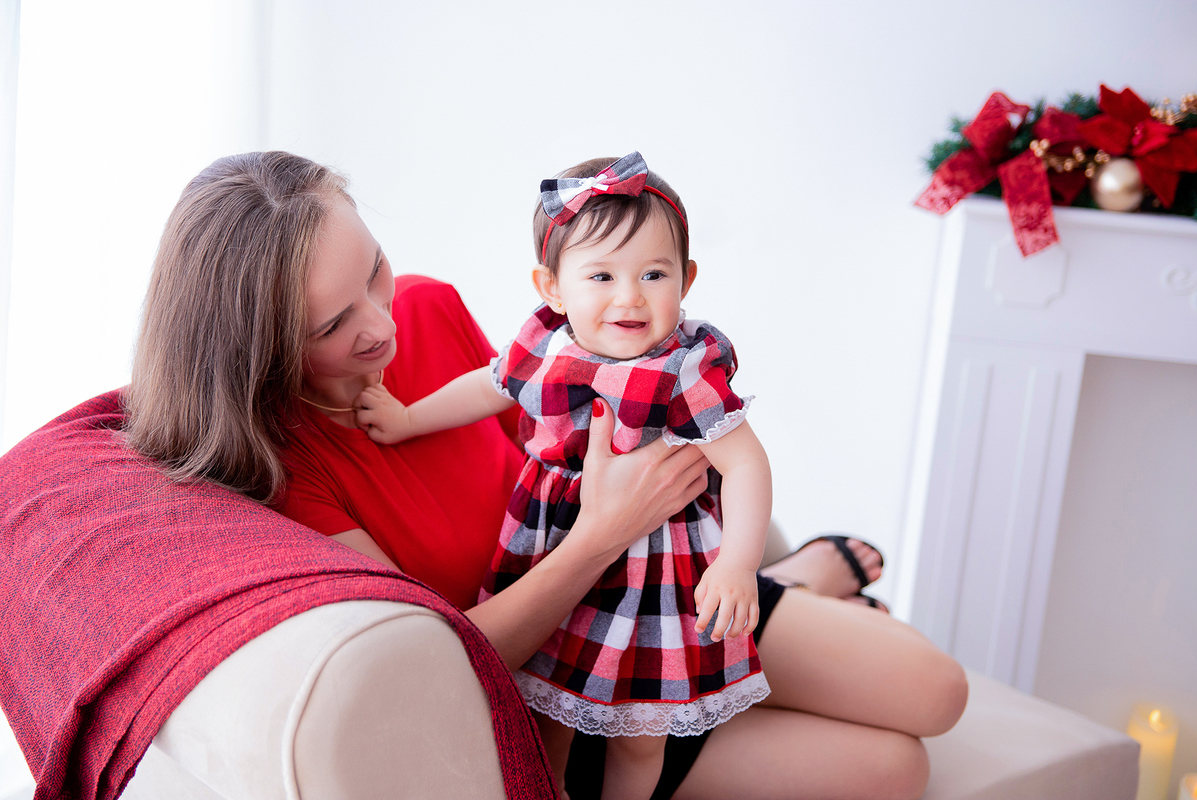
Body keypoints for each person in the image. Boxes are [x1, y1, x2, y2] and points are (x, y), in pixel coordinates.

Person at [125, 151, 968, 800]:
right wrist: (606, 531)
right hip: (564, 673)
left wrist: (711, 546)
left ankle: (782, 577)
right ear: (259, 346)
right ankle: (795, 585)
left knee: (936, 694)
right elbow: (447, 660)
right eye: (335, 323)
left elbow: (578, 410)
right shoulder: (289, 473)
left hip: (673, 588)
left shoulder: (429, 308)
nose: (383, 323)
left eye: (374, 271)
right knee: (894, 770)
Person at [349, 152, 772, 800]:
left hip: (648, 573)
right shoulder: (546, 343)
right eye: (600, 275)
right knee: (544, 708)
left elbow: (745, 462)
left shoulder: (684, 368)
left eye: (653, 274)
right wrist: (408, 420)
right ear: (551, 287)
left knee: (640, 736)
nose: (629, 296)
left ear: (685, 279)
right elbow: (490, 387)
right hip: (548, 550)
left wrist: (738, 563)